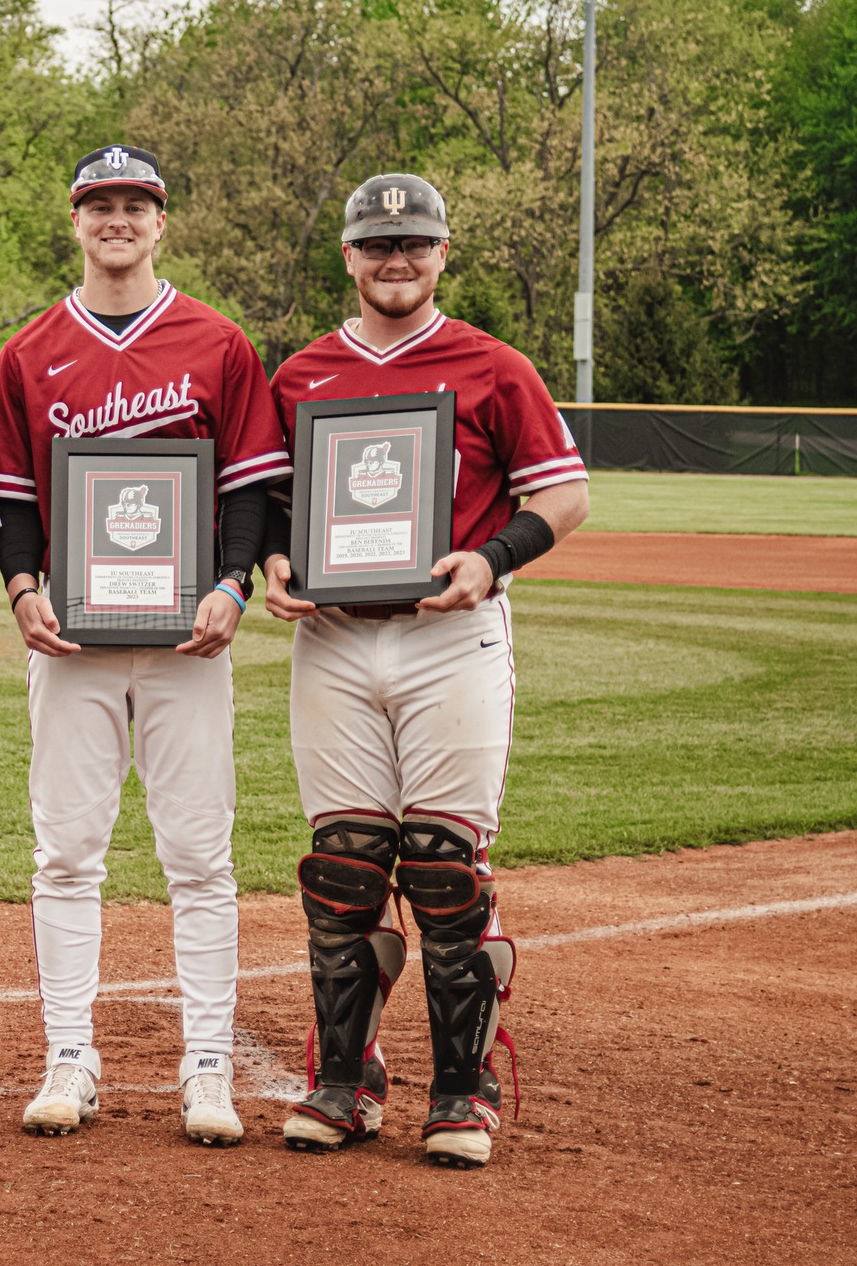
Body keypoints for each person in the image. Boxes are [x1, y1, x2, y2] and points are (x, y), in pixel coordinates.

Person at [263, 174, 588, 1169]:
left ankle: (462, 1088)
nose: (393, 260)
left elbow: (563, 493)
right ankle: (345, 1078)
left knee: (443, 866)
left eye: (413, 244)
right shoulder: (301, 374)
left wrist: (490, 557)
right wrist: (274, 564)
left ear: (442, 253)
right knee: (344, 865)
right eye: (376, 245)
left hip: (452, 632)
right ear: (349, 257)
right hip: (333, 639)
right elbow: (266, 508)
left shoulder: (491, 365)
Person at [0, 145, 289, 1145]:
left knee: (197, 856)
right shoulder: (30, 352)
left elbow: (245, 486)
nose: (115, 219)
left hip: (183, 639)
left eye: (134, 204)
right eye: (97, 203)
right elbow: (16, 499)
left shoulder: (216, 342)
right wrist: (21, 587)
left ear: (160, 221)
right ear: (74, 220)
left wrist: (229, 583)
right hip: (69, 638)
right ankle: (67, 1054)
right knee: (65, 852)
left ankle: (206, 1065)